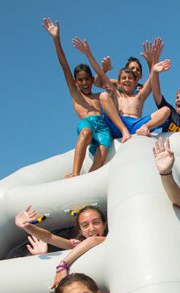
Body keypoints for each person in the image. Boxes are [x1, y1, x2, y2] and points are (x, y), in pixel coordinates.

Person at [42, 18, 112, 178]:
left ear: (91, 79)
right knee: (86, 132)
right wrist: (56, 39)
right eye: (80, 80)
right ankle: (75, 173)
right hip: (87, 124)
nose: (84, 83)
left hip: (102, 127)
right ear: (76, 82)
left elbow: (109, 85)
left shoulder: (98, 96)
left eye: (87, 79)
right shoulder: (76, 94)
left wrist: (104, 71)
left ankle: (87, 179)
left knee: (102, 153)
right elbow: (64, 66)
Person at [72, 37, 171, 141]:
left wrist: (154, 62)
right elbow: (100, 74)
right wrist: (88, 53)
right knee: (104, 97)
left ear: (135, 81)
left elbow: (152, 78)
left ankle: (145, 127)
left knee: (166, 110)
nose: (127, 80)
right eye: (124, 78)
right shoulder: (116, 92)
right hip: (119, 123)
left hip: (136, 125)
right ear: (119, 82)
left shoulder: (140, 94)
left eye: (130, 78)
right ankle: (124, 131)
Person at [14, 205, 108, 288]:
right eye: (85, 225)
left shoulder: (110, 239)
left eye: (96, 223)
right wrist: (26, 226)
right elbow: (49, 237)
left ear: (104, 224)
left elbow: (93, 240)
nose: (92, 228)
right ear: (80, 231)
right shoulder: (77, 245)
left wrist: (63, 265)